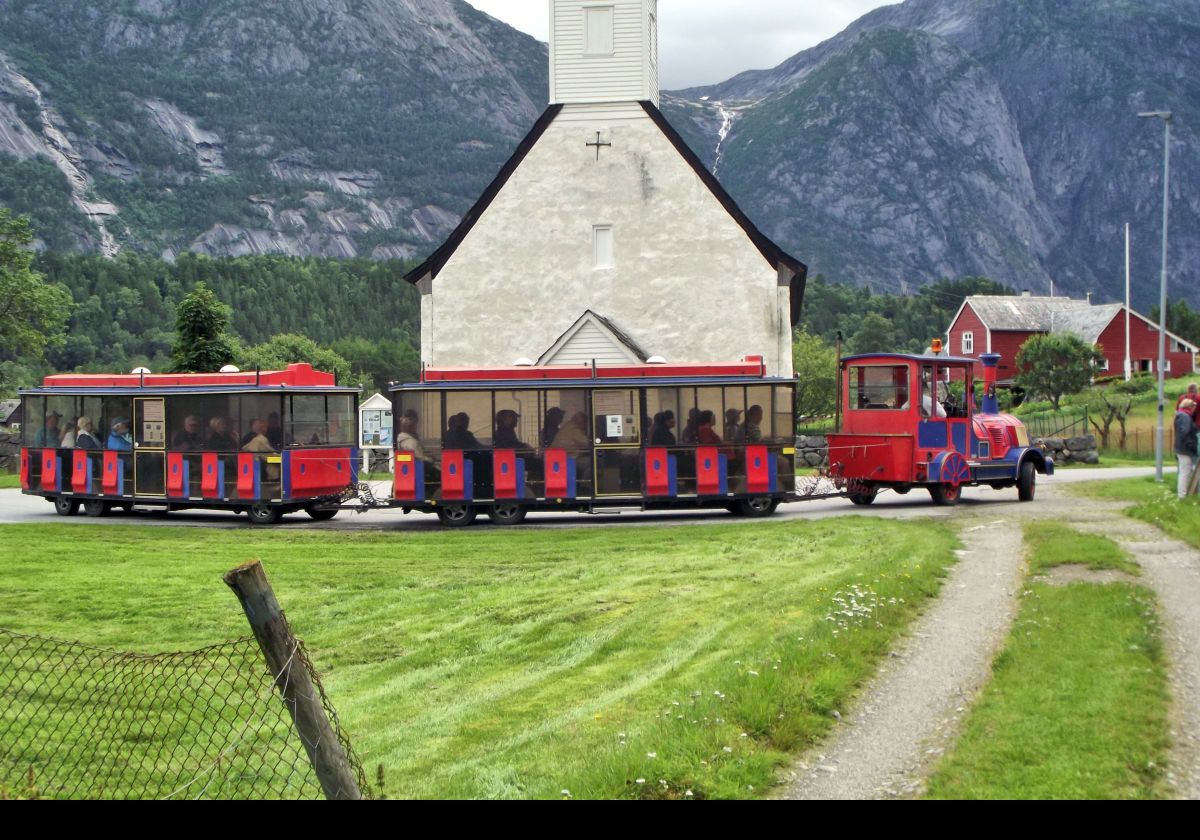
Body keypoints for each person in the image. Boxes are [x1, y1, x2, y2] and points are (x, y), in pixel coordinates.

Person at [1175, 398, 1198, 500]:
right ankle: (1182, 496)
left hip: (1180, 447)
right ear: (1189, 406)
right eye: (1193, 406)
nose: (1195, 409)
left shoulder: (1180, 415)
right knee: (1185, 472)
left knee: (1184, 471)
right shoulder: (1185, 417)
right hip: (1185, 449)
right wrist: (1191, 445)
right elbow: (1185, 432)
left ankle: (1182, 494)